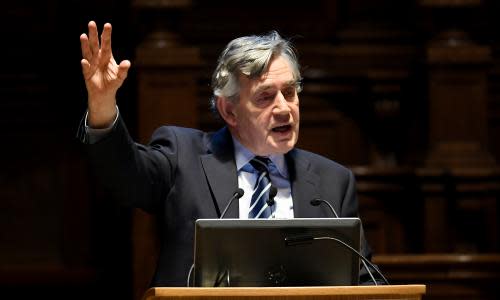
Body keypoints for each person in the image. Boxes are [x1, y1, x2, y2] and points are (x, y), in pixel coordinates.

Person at [78, 21, 381, 286]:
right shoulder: (183, 157)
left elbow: (364, 281)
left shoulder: (332, 183)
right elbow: (126, 178)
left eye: (289, 93)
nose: (284, 108)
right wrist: (103, 107)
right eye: (265, 97)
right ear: (229, 111)